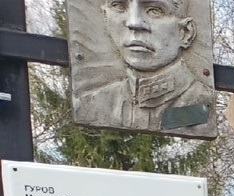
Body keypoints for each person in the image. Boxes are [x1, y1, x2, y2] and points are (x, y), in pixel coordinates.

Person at [79, 0, 213, 133]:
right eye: (119, 6)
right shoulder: (91, 105)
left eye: (154, 10)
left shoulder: (202, 104)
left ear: (186, 33)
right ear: (105, 17)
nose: (134, 23)